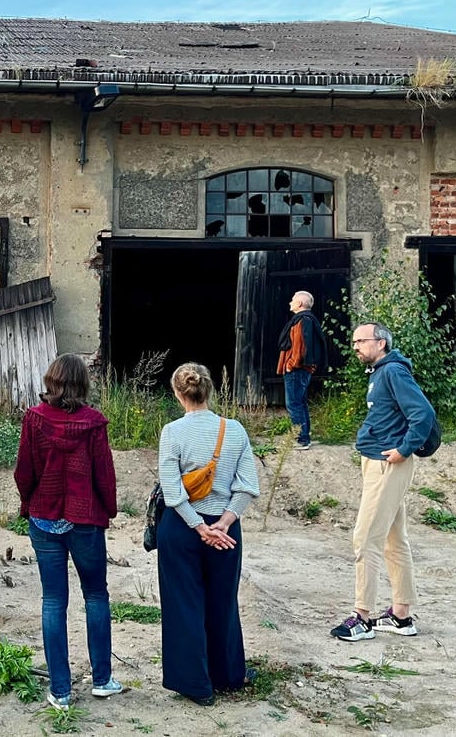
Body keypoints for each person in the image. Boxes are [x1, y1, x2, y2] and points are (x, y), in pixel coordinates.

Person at [14, 353, 123, 711]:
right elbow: (104, 473)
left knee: (53, 600)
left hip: (44, 518)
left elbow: (24, 471)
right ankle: (102, 680)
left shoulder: (34, 419)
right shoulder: (93, 423)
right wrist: (108, 508)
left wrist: (26, 502)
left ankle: (60, 690)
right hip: (85, 518)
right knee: (96, 595)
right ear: (82, 383)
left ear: (51, 381)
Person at [157, 362, 260, 706]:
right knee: (223, 600)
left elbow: (173, 493)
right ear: (210, 390)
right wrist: (225, 523)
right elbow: (247, 487)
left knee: (183, 604)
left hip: (183, 528)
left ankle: (195, 684)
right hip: (225, 530)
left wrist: (199, 526)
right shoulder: (235, 431)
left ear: (178, 394)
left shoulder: (172, 432)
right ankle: (229, 674)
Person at [330, 323, 434, 642]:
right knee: (393, 538)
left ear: (381, 342)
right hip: (377, 461)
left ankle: (361, 617)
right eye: (354, 340)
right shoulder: (379, 371)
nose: (355, 345)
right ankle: (401, 616)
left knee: (365, 538)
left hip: (387, 464)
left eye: (361, 340)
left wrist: (404, 450)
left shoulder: (393, 372)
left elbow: (423, 414)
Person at [277, 290, 326, 449]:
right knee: (300, 402)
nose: (290, 302)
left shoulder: (302, 320)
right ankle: (305, 435)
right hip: (302, 369)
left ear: (299, 304)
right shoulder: (307, 319)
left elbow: (300, 345)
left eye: (292, 300)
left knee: (294, 403)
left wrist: (291, 364)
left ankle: (301, 439)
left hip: (297, 369)